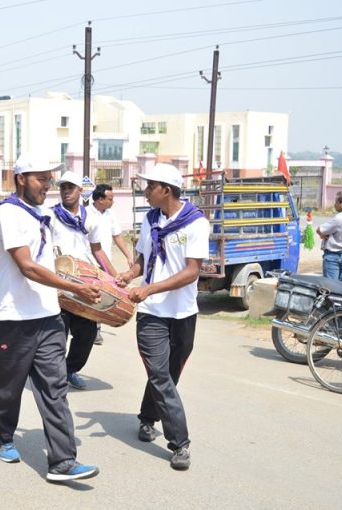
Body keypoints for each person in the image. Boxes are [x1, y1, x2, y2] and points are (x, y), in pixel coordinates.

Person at [0, 155, 100, 483]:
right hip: (13, 317)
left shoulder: (43, 215)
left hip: (49, 316)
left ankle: (62, 461)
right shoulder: (8, 214)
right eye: (41, 179)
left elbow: (53, 259)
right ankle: (3, 436)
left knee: (55, 387)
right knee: (7, 388)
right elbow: (28, 266)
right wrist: (73, 288)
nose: (47, 185)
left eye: (49, 179)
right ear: (20, 178)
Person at [114, 163, 209, 471]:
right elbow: (145, 259)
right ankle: (180, 443)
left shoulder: (195, 223)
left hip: (183, 312)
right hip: (152, 312)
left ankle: (146, 417)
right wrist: (130, 274)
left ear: (166, 190)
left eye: (150, 186)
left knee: (168, 375)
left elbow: (192, 270)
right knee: (159, 375)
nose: (145, 190)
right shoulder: (150, 219)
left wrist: (151, 288)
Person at [50, 171, 111, 391]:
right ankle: (54, 378)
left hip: (86, 285)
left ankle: (70, 369)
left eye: (70, 187)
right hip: (60, 285)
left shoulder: (91, 218)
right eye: (63, 187)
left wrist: (114, 278)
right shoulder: (50, 217)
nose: (66, 191)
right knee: (58, 334)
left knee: (87, 334)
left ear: (80, 190)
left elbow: (98, 251)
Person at [90, 183, 134, 345]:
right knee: (93, 294)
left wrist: (128, 255)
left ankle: (97, 328)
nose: (112, 201)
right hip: (90, 263)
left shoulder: (110, 214)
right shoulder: (86, 213)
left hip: (105, 262)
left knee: (104, 294)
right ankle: (91, 329)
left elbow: (118, 236)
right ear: (100, 199)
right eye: (110, 199)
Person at [316, 195, 342, 281]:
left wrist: (323, 236)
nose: (334, 205)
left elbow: (319, 229)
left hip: (333, 256)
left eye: (336, 202)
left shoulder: (339, 218)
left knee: (330, 285)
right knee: (341, 285)